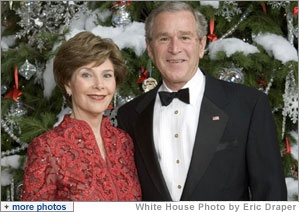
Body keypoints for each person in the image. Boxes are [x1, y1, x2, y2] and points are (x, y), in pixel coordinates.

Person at [117, 2, 287, 201]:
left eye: (185, 37)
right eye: (164, 38)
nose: (174, 48)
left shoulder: (248, 105)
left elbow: (271, 195)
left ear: (201, 45)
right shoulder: (129, 115)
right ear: (150, 48)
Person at [21, 31, 141, 201]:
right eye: (87, 75)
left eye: (106, 75)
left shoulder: (124, 142)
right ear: (68, 83)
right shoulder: (47, 148)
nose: (99, 85)